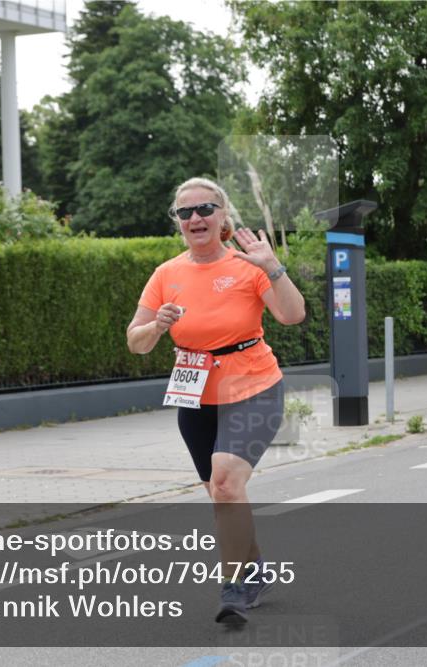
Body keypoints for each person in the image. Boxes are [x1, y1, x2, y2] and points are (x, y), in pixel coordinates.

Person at [126, 177, 305, 623]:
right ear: (178, 223)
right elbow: (136, 341)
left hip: (253, 387)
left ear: (223, 215)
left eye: (205, 209)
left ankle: (234, 588)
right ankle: (256, 568)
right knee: (223, 494)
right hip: (195, 393)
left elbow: (292, 314)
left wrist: (273, 267)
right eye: (185, 213)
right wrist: (157, 326)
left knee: (225, 483)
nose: (195, 218)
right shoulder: (166, 275)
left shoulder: (249, 266)